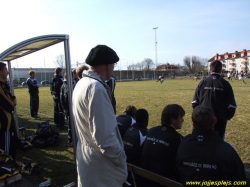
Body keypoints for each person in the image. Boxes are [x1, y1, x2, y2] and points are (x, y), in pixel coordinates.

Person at [72, 45, 127, 187]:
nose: (114, 68)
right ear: (107, 66)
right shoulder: (96, 89)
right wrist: (121, 158)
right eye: (113, 65)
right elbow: (105, 137)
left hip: (88, 158)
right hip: (100, 166)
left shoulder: (81, 83)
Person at [176, 105, 246, 185]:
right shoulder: (227, 150)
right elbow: (241, 180)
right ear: (215, 121)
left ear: (193, 124)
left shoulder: (183, 143)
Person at [140, 104, 185, 185]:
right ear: (172, 120)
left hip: (143, 179)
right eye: (180, 117)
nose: (183, 120)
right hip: (162, 182)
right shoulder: (177, 138)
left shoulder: (151, 131)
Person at [192, 60, 236, 139]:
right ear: (221, 70)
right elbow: (232, 106)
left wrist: (198, 115)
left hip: (203, 117)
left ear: (210, 70)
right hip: (220, 118)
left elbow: (195, 102)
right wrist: (225, 117)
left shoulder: (203, 82)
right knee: (218, 141)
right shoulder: (225, 83)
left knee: (203, 140)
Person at [0, 62, 19, 160]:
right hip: (4, 123)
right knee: (6, 149)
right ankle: (7, 166)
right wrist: (12, 100)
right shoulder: (0, 87)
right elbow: (11, 105)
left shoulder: (4, 85)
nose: (7, 72)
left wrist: (12, 99)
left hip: (7, 120)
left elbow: (12, 99)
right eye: (5, 70)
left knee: (12, 144)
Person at [60, 70, 77, 146]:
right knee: (71, 124)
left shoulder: (68, 84)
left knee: (73, 124)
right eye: (74, 74)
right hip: (70, 108)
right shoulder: (67, 85)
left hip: (70, 108)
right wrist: (66, 108)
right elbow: (64, 98)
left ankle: (73, 139)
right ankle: (71, 140)